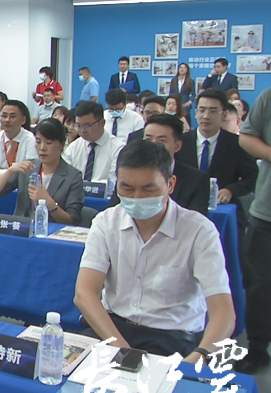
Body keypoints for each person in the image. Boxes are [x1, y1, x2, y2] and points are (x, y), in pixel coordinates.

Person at [74, 140, 234, 358]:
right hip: (112, 330)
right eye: (127, 188)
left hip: (170, 337)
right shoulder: (106, 222)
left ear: (170, 184)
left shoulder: (199, 231)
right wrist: (123, 350)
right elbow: (85, 293)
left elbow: (224, 312)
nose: (136, 198)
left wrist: (200, 356)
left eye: (149, 189)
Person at [108, 114, 210, 216]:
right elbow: (113, 214)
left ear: (177, 146)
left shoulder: (197, 180)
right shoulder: (128, 174)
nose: (153, 145)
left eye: (161, 141)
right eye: (148, 139)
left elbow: (196, 219)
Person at [0, 119, 84, 224]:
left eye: (49, 143)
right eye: (38, 142)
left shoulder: (73, 177)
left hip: (51, 230)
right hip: (22, 228)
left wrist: (49, 202)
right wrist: (10, 171)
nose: (42, 148)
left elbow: (72, 220)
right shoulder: (28, 168)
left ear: (61, 144)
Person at [236, 86, 271, 373]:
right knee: (259, 285)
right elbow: (246, 136)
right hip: (267, 212)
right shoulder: (269, 97)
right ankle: (258, 348)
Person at [177, 90, 258, 208]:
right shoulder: (180, 142)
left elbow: (252, 177)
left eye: (213, 111)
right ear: (196, 113)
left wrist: (231, 190)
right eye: (202, 110)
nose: (206, 116)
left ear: (224, 115)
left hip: (222, 206)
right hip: (185, 206)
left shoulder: (237, 143)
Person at [63, 100, 125, 182]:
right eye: (78, 126)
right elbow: (64, 176)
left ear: (102, 123)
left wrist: (90, 187)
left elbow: (115, 180)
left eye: (87, 126)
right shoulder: (73, 148)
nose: (82, 130)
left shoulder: (118, 148)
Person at [0, 100, 37, 171]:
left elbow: (30, 170)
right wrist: (12, 171)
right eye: (4, 116)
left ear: (23, 120)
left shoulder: (30, 139)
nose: (7, 120)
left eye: (12, 116)